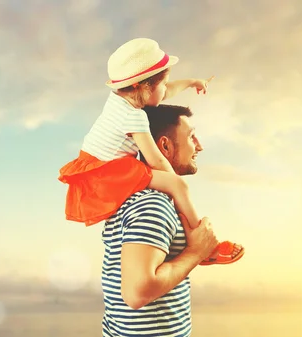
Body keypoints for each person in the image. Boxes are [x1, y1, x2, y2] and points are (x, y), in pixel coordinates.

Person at [58, 37, 243, 265]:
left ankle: (193, 239)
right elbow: (156, 159)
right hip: (106, 171)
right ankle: (204, 246)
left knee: (173, 186)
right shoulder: (133, 117)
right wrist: (174, 183)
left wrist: (194, 82)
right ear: (143, 87)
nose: (166, 90)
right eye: (163, 84)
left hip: (96, 163)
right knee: (178, 185)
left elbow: (164, 92)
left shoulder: (121, 98)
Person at [100, 103, 240, 336]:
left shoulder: (137, 198)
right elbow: (137, 293)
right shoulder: (153, 204)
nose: (200, 146)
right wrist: (196, 253)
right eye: (192, 136)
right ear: (164, 145)